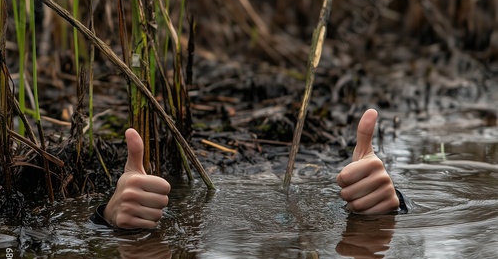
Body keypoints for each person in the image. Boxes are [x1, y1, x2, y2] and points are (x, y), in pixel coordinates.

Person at [92, 108, 408, 229]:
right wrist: (108, 213)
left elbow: (366, 191)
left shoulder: (323, 154)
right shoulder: (175, 149)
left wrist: (387, 203)